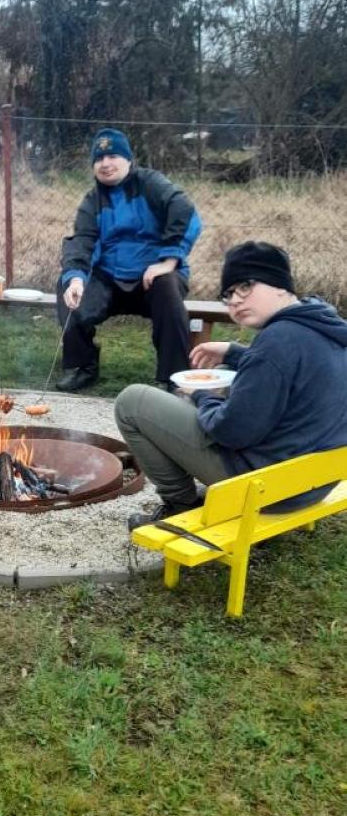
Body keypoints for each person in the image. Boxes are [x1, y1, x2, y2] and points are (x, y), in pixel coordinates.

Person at [116, 241, 347, 528]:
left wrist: (203, 397)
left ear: (279, 284)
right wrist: (234, 353)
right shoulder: (324, 325)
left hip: (268, 490)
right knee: (225, 372)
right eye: (228, 294)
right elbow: (289, 367)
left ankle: (181, 503)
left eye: (246, 286)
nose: (235, 300)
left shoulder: (277, 342)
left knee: (132, 402)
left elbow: (231, 432)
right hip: (312, 482)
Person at [56, 128, 202, 392]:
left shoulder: (150, 184)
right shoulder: (92, 201)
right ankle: (81, 366)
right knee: (68, 287)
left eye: (112, 156)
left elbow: (184, 210)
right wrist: (76, 278)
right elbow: (82, 242)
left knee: (167, 287)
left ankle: (173, 377)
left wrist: (168, 261)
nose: (105, 164)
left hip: (151, 277)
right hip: (109, 279)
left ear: (128, 159)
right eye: (99, 159)